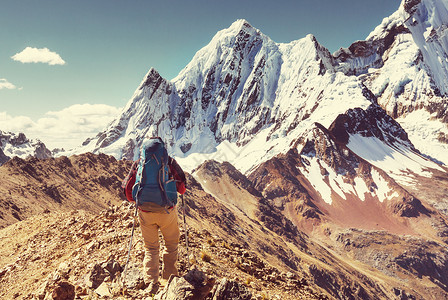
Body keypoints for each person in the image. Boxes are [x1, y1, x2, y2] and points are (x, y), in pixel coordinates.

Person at [122, 137, 186, 294]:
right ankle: (170, 281)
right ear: (162, 149)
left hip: (145, 212)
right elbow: (182, 188)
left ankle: (151, 283)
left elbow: (127, 191)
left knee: (151, 248)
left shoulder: (139, 164)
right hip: (167, 211)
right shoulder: (169, 162)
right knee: (171, 245)